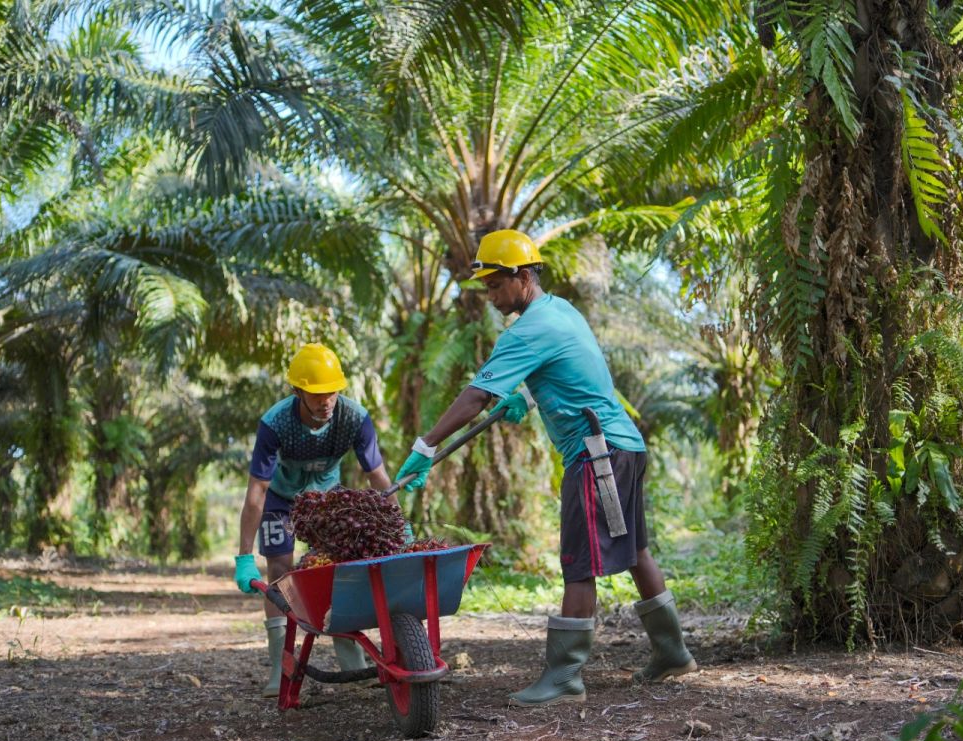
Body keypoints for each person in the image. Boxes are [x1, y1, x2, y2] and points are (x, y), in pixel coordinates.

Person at [394, 230, 698, 707]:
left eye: (496, 286)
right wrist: (528, 396)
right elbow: (572, 368)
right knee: (634, 550)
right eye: (486, 288)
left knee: (579, 563)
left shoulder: (530, 328)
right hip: (623, 446)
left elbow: (477, 396)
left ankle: (564, 677)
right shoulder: (560, 311)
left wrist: (426, 445)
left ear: (522, 276)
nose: (491, 298)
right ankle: (673, 653)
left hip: (595, 453)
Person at [233, 343, 398, 697]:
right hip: (281, 500)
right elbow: (257, 491)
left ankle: (352, 661)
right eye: (317, 393)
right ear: (297, 392)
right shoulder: (275, 423)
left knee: (338, 571)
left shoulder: (353, 417)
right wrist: (245, 556)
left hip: (327, 501)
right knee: (280, 573)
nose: (326, 401)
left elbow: (378, 476)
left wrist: (400, 524)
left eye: (332, 392)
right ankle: (281, 667)